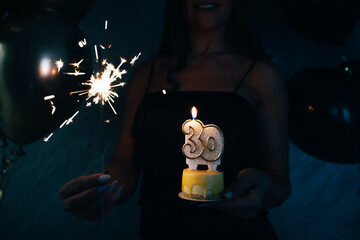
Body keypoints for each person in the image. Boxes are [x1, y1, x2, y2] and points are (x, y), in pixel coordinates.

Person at [59, 0, 291, 239]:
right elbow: (124, 162)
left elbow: (280, 181)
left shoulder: (262, 76)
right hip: (160, 230)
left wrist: (262, 188)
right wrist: (102, 190)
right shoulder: (147, 74)